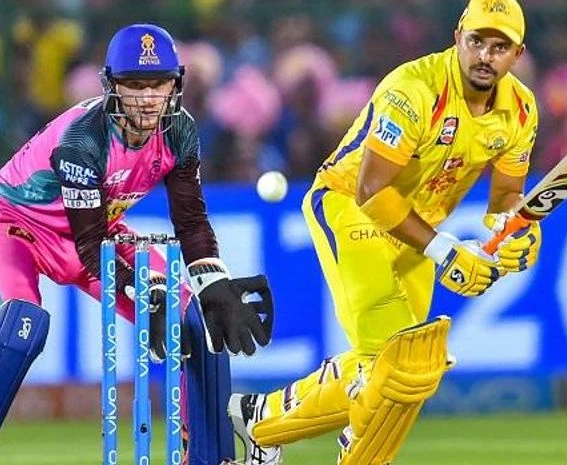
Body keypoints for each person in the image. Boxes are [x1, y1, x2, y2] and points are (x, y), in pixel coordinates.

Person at [0, 23, 273, 465]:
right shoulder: (84, 138)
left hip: (99, 230)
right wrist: (144, 292)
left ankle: (208, 458)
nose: (148, 98)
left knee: (194, 316)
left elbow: (190, 221)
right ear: (112, 86)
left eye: (159, 84)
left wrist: (213, 281)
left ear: (176, 84)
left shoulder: (180, 132)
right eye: (135, 85)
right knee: (20, 327)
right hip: (15, 226)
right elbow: (92, 250)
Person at [227, 1, 540, 464]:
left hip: (415, 230)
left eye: (500, 47)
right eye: (477, 41)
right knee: (399, 360)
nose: (484, 56)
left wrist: (517, 232)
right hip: (350, 207)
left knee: (410, 366)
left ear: (517, 54)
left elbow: (506, 197)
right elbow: (372, 190)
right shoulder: (414, 89)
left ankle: (260, 420)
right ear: (458, 37)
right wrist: (445, 251)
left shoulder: (520, 109)